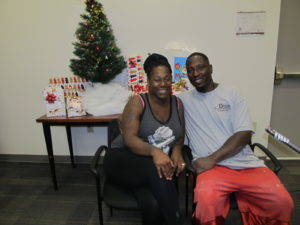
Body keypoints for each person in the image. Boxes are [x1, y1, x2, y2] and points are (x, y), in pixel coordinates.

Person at [180, 52, 294, 225]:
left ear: (210, 68)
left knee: (283, 202)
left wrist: (212, 159)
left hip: (246, 164)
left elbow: (244, 134)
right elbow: (158, 104)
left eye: (200, 67)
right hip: (213, 171)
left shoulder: (232, 94)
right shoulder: (183, 100)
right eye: (190, 70)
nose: (195, 73)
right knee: (206, 203)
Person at [104, 53, 185, 225]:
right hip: (121, 160)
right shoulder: (137, 102)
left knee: (153, 203)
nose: (163, 84)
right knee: (157, 166)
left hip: (151, 168)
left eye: (167, 79)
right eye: (157, 79)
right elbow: (129, 139)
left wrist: (177, 151)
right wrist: (154, 151)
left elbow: (179, 137)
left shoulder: (177, 103)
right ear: (148, 81)